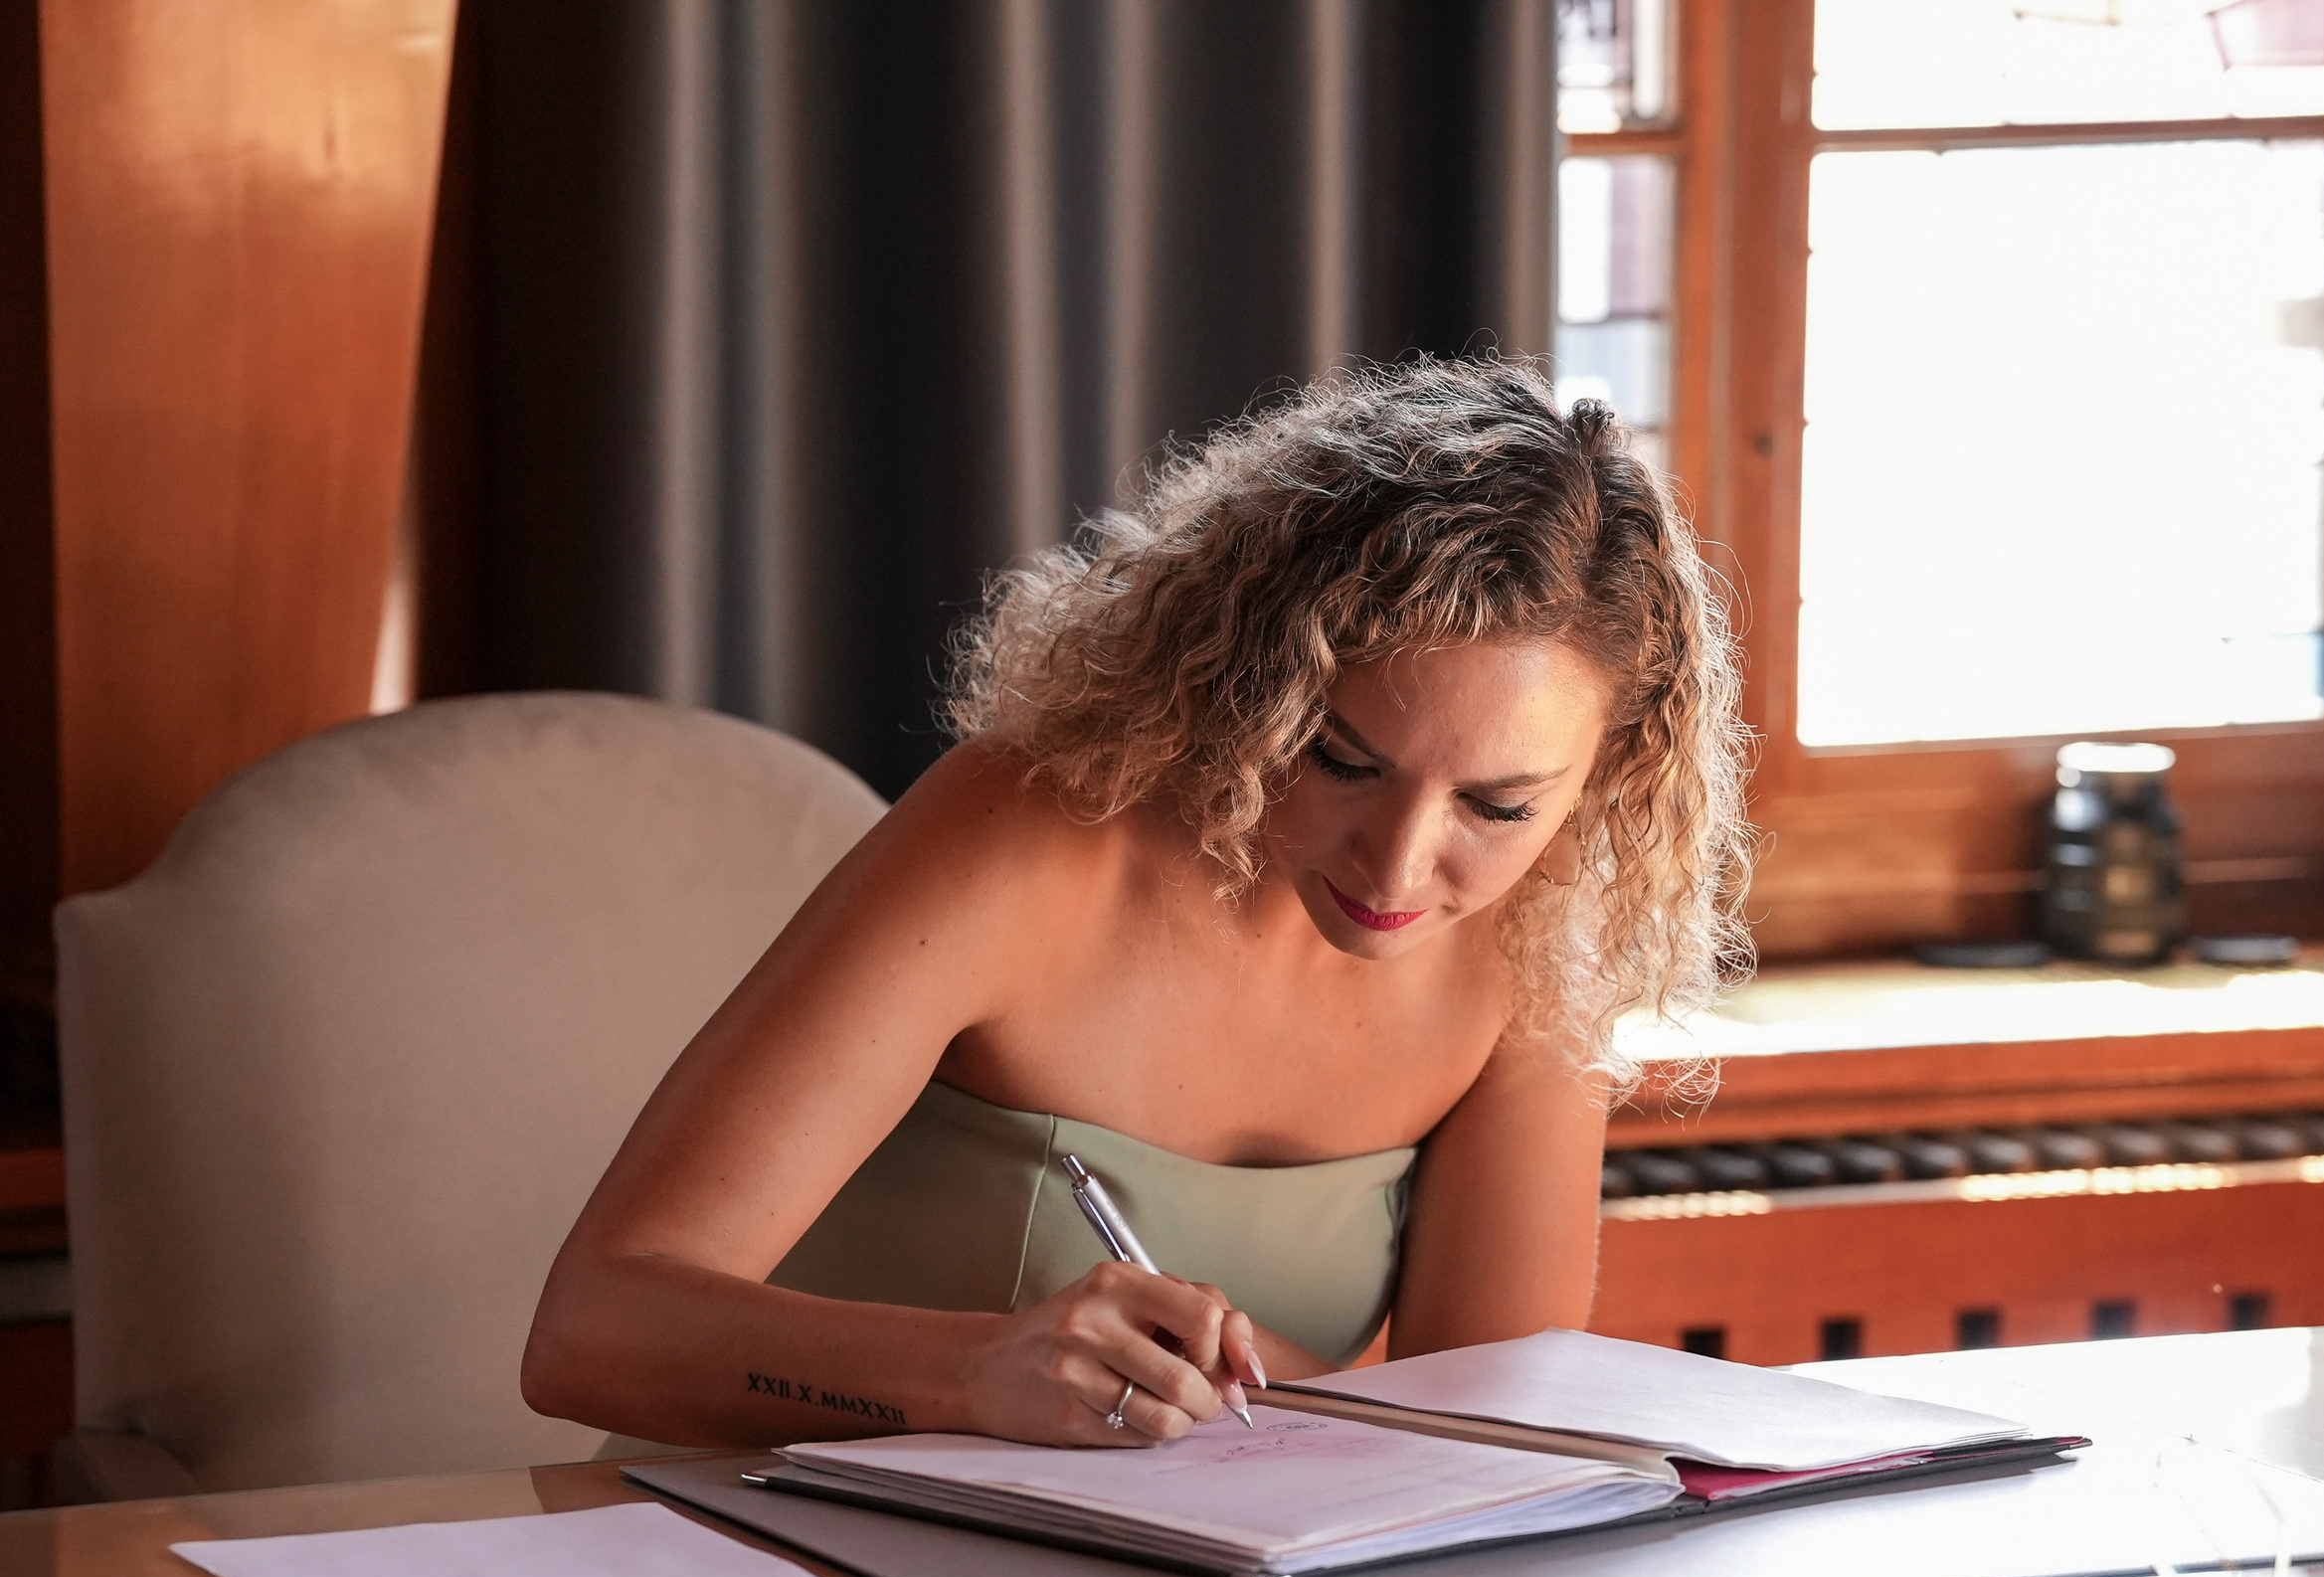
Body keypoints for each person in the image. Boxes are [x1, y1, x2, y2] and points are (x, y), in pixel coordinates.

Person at [521, 359, 1750, 1452]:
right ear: (1246, 681)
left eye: (1498, 808)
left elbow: (1490, 1448)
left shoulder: (1534, 946)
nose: (1395, 867)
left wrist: (1234, 1397)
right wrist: (971, 1373)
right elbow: (595, 1329)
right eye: (1341, 760)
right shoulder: (1031, 835)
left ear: (1607, 779)